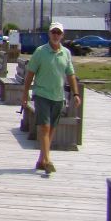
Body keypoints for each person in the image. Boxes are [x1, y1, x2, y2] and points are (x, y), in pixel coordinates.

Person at [21, 22, 81, 173]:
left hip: (58, 97)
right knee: (44, 127)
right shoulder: (40, 52)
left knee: (52, 129)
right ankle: (48, 160)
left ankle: (41, 160)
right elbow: (30, 74)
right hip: (42, 94)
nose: (55, 35)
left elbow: (71, 74)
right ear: (49, 34)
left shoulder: (66, 53)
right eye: (53, 32)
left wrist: (75, 93)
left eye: (58, 33)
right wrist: (25, 94)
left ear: (62, 35)